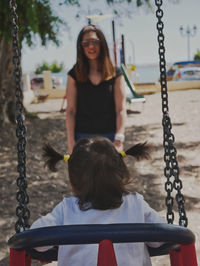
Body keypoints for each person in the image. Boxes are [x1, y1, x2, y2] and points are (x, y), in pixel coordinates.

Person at [31, 137, 165, 266]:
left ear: (73, 181)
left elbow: (35, 240)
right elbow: (162, 238)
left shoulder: (66, 210)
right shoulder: (136, 204)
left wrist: (51, 246)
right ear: (122, 171)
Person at [65, 24, 126, 154]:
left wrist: (119, 138)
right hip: (82, 138)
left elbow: (120, 109)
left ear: (102, 44)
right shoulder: (74, 75)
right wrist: (71, 142)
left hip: (110, 138)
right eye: (86, 43)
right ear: (81, 47)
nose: (91, 46)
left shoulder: (116, 73)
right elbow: (70, 111)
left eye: (94, 42)